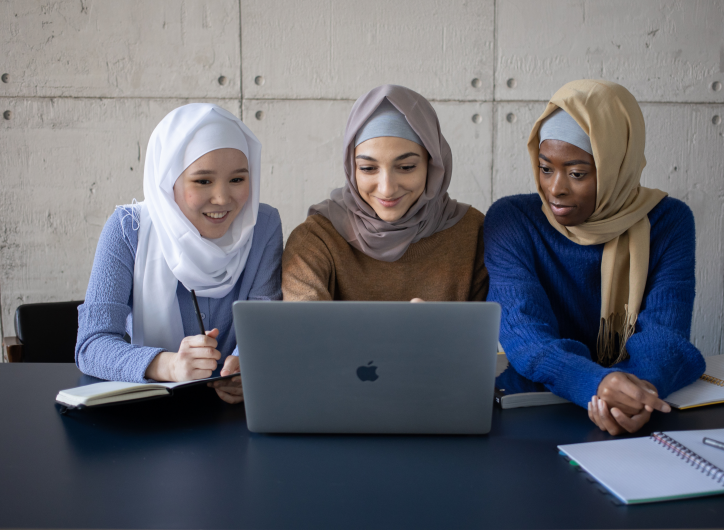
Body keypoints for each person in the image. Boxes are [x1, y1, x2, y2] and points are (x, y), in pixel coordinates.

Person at [484, 79, 706, 435]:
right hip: (537, 414)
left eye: (577, 173)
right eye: (545, 168)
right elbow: (525, 335)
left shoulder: (668, 221)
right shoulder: (513, 220)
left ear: (617, 165)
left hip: (635, 407)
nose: (554, 188)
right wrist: (599, 386)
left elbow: (666, 333)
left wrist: (639, 391)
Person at [75, 103, 283, 403]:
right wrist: (169, 364)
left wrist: (248, 365)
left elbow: (267, 323)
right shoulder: (127, 229)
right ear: (167, 180)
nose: (223, 198)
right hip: (149, 417)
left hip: (234, 417)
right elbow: (91, 345)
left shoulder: (262, 226)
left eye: (237, 179)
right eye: (203, 181)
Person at [282, 84, 487, 302]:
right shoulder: (317, 238)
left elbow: (492, 331)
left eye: (406, 167)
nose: (387, 189)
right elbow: (304, 331)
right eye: (368, 168)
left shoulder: (473, 232)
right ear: (351, 169)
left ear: (433, 166)